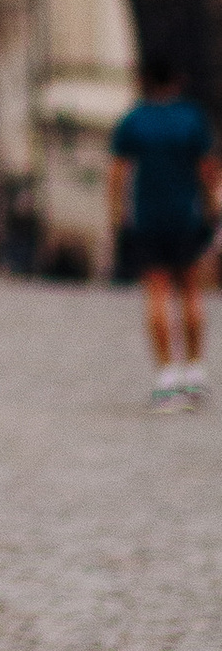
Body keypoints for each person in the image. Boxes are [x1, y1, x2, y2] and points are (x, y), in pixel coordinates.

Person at [107, 54, 218, 410]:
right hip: (186, 216)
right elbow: (207, 169)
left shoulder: (133, 120)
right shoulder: (192, 118)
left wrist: (117, 218)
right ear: (176, 81)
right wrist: (211, 208)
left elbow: (117, 175)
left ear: (144, 81)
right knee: (190, 290)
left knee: (156, 292)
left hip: (148, 218)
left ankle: (166, 377)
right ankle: (195, 371)